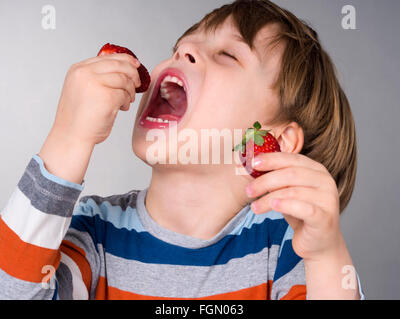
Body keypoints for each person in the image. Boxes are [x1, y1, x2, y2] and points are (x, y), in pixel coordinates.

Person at [0, 0, 364, 299]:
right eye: (179, 48)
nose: (184, 50)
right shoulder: (95, 234)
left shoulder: (288, 247)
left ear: (276, 142)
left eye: (226, 55)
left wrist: (326, 256)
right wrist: (67, 138)